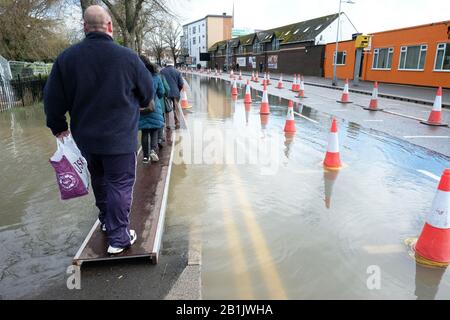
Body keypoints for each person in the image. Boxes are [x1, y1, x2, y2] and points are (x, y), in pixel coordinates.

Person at [43, 5, 154, 255]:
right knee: (120, 183)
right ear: (110, 27)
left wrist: (58, 126)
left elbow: (51, 98)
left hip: (87, 139)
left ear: (84, 27)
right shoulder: (128, 57)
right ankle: (119, 237)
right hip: (120, 138)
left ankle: (106, 220)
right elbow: (147, 94)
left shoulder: (66, 59)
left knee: (100, 180)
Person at [138, 56, 165, 164]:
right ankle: (153, 150)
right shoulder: (156, 76)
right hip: (154, 106)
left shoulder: (137, 77)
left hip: (142, 107)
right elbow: (161, 92)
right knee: (154, 129)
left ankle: (145, 157)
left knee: (145, 132)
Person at [161, 61, 184, 129]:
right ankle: (177, 123)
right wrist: (178, 90)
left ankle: (167, 124)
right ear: (173, 65)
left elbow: (161, 82)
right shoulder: (177, 72)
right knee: (176, 108)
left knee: (166, 109)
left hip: (166, 93)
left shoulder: (162, 71)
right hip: (175, 93)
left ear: (166, 65)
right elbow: (181, 84)